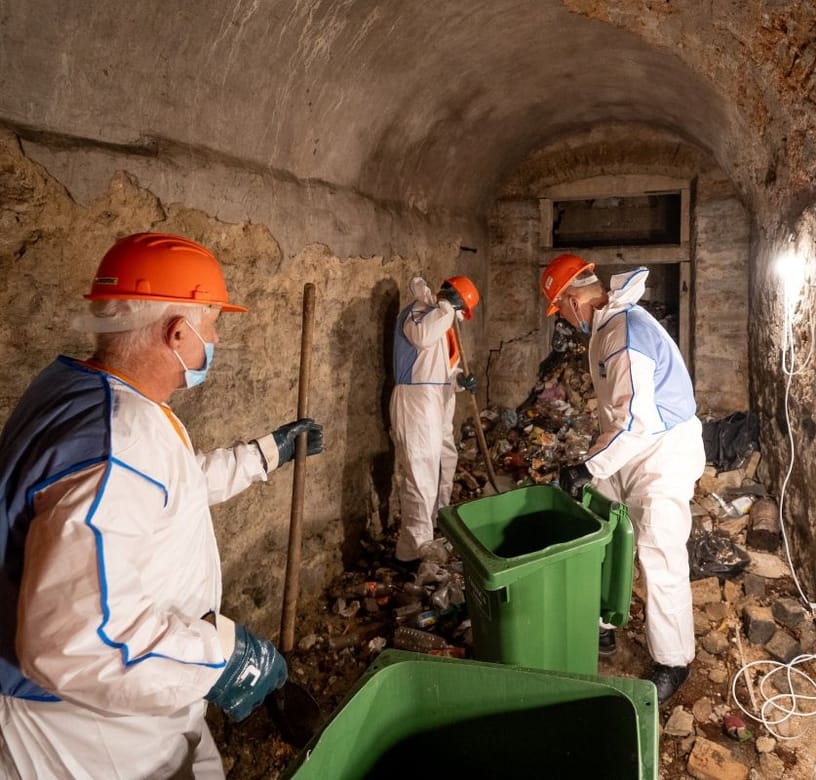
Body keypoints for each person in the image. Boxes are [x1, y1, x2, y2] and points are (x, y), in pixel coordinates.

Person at [0, 232, 325, 779]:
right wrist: (223, 661)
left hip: (115, 700)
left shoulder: (91, 393)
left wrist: (264, 454)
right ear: (179, 333)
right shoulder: (118, 442)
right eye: (214, 324)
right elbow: (75, 643)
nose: (216, 338)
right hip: (83, 724)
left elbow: (173, 484)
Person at [540, 253, 706, 705]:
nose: (565, 319)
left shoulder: (625, 334)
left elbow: (636, 423)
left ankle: (674, 661)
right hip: (632, 449)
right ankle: (603, 621)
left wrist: (585, 466)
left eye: (561, 309)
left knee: (658, 551)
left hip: (662, 453)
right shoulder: (610, 326)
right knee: (606, 527)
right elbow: (620, 415)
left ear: (574, 300)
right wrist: (594, 466)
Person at [389, 275, 481, 569]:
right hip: (416, 401)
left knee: (445, 461)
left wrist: (460, 382)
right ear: (451, 299)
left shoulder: (444, 325)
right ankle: (413, 554)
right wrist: (446, 309)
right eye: (460, 310)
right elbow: (421, 338)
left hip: (438, 399)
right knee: (421, 476)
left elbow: (443, 370)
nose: (458, 317)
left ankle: (438, 525)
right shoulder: (420, 312)